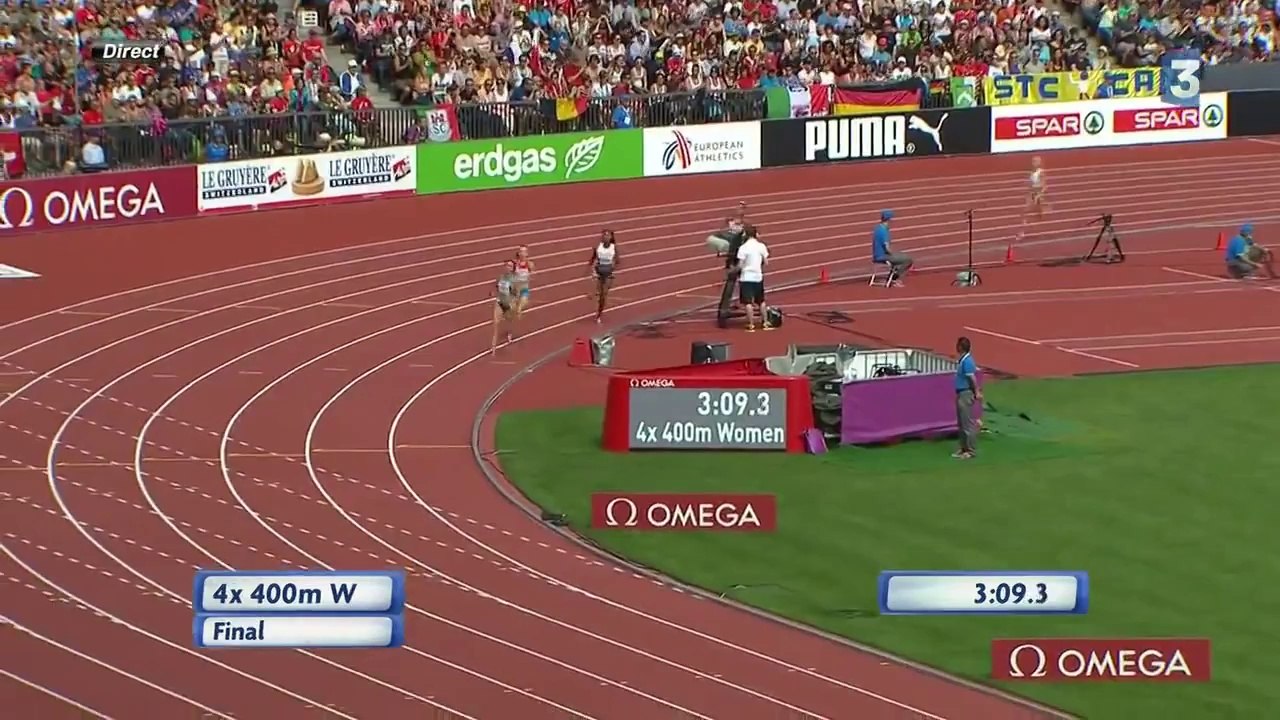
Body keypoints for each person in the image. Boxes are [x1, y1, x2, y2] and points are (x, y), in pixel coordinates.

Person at [735, 227, 773, 332]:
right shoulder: (761, 246)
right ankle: (765, 322)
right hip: (758, 277)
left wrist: (733, 270)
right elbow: (766, 262)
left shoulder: (743, 248)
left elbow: (740, 264)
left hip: (746, 277)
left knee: (748, 302)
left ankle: (751, 324)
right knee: (761, 301)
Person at [953, 336, 981, 459]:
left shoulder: (968, 361)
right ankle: (963, 448)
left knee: (967, 423)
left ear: (960, 347)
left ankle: (971, 450)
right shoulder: (963, 360)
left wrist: (976, 392)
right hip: (960, 393)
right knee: (961, 423)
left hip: (966, 393)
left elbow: (972, 378)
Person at [872, 210, 913, 286]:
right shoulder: (884, 231)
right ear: (889, 219)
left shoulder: (877, 228)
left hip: (877, 255)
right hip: (883, 256)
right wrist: (893, 254)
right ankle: (895, 278)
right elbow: (887, 248)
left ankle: (893, 275)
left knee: (900, 257)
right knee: (908, 260)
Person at [588, 229, 619, 322]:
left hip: (608, 273)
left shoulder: (614, 247)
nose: (606, 237)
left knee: (603, 295)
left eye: (608, 236)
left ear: (611, 238)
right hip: (599, 271)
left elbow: (617, 261)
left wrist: (613, 268)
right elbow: (592, 260)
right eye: (604, 235)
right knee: (599, 292)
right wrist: (593, 271)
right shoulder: (598, 247)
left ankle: (599, 314)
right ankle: (595, 293)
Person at [491, 268, 519, 354]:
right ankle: (493, 348)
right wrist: (493, 292)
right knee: (496, 323)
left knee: (509, 320)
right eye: (507, 265)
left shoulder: (514, 280)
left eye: (510, 266)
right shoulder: (501, 277)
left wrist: (513, 300)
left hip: (508, 303)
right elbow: (496, 286)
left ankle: (509, 333)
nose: (507, 268)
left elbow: (516, 292)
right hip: (499, 302)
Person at [511, 246, 535, 314]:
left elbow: (532, 274)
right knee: (513, 307)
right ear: (518, 253)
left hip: (524, 287)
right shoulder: (514, 264)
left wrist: (530, 278)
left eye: (524, 251)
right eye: (521, 251)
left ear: (527, 253)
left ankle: (518, 310)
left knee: (520, 307)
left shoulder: (530, 264)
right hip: (515, 288)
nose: (522, 253)